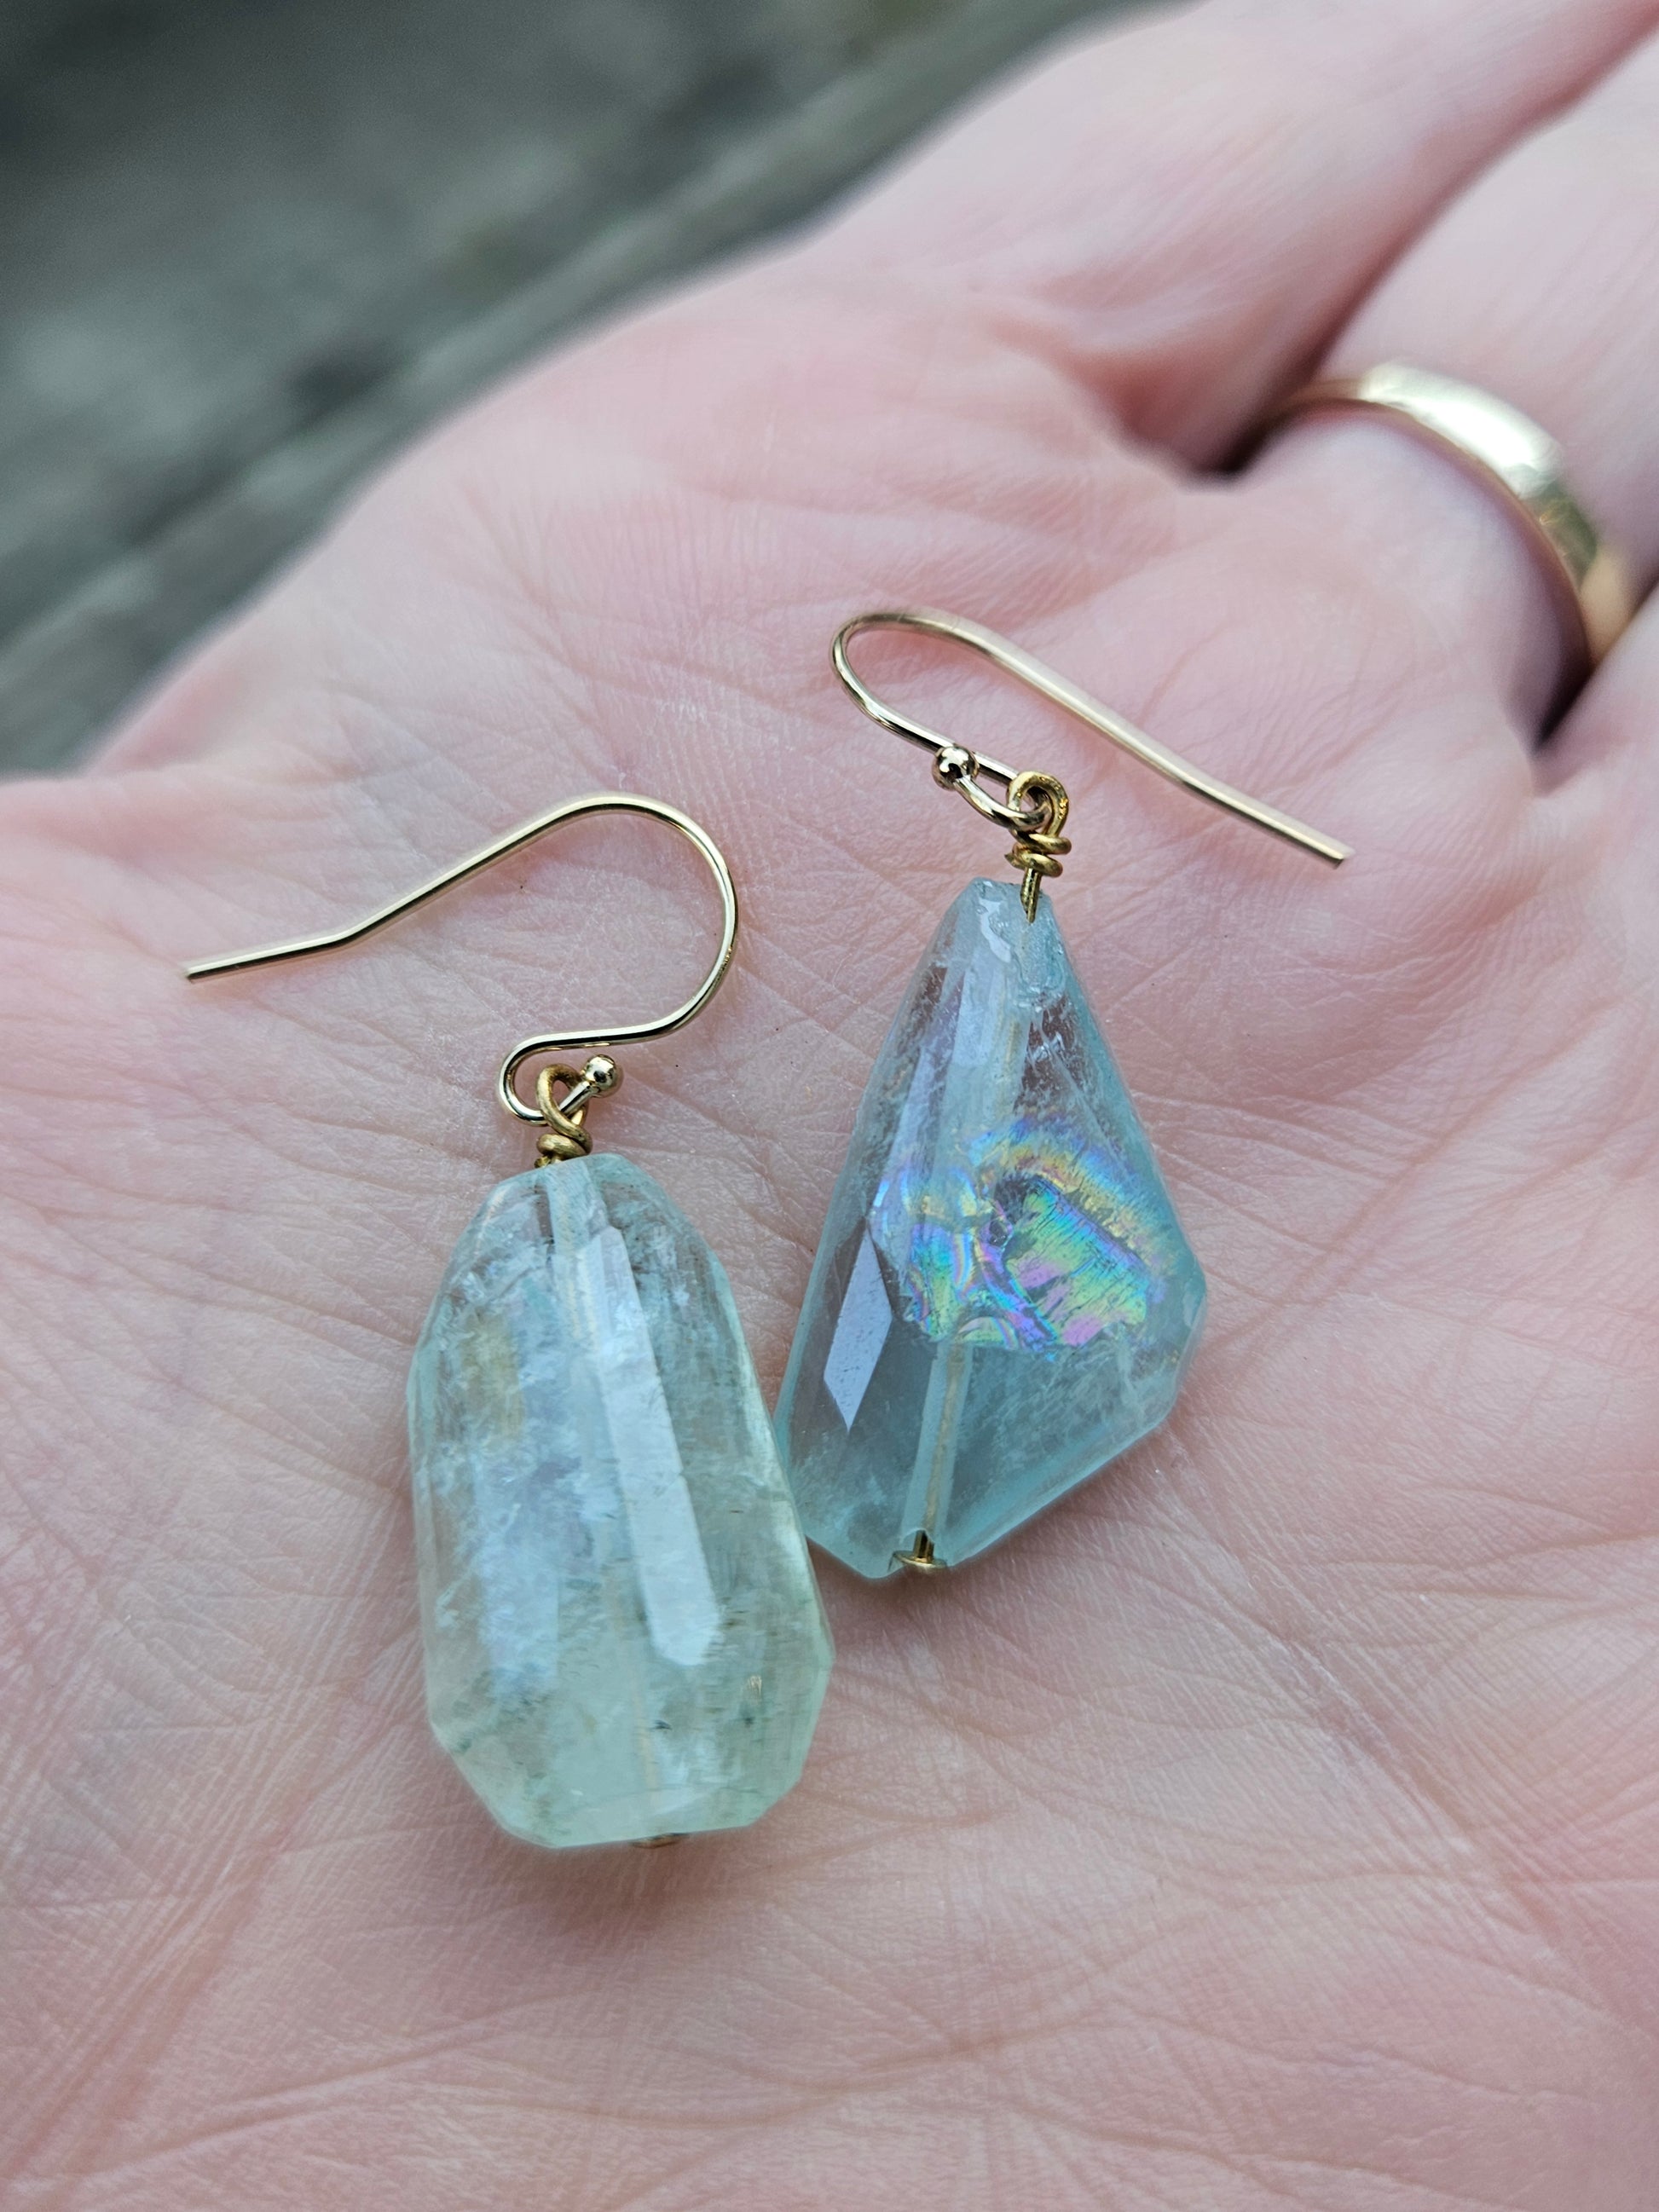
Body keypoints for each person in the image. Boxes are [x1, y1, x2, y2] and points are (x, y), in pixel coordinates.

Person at [7, 0, 1659, 2202]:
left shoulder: (956, 1035)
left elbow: (975, 1341)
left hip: (910, 1409)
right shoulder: (586, 1253)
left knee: (912, 1373)